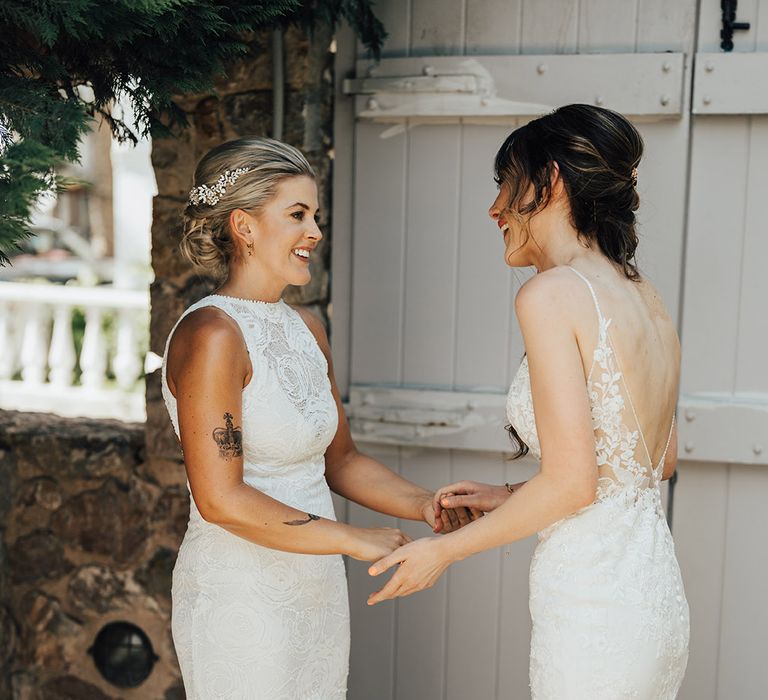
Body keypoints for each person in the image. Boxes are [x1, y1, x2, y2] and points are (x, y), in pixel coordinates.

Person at [368, 105, 690, 699]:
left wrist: (441, 553)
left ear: (552, 182)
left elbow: (573, 485)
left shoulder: (551, 294)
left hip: (593, 601)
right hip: (653, 600)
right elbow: (654, 464)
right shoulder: (645, 296)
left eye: (505, 184)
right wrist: (507, 496)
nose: (495, 209)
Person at [161, 137, 473, 699]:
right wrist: (353, 539)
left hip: (315, 591)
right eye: (298, 215)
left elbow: (342, 462)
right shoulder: (211, 334)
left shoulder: (306, 329)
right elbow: (221, 499)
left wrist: (423, 504)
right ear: (244, 226)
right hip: (242, 597)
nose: (315, 233)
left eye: (316, 216)